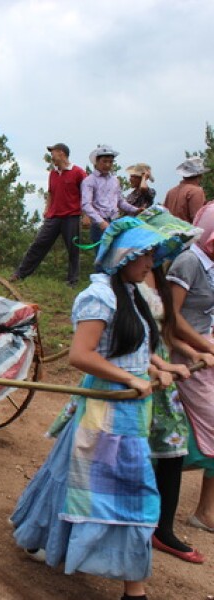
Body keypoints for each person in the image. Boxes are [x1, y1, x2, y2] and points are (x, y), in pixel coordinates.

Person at [11, 217, 190, 600]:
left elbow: (132, 347)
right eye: (144, 255)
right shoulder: (99, 296)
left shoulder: (132, 293)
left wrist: (162, 366)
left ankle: (37, 537)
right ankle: (134, 590)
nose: (151, 263)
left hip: (127, 410)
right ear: (124, 256)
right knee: (132, 490)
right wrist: (131, 379)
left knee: (70, 477)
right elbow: (81, 355)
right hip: (107, 409)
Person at [135, 206, 206, 563]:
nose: (160, 252)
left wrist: (191, 351)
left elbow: (165, 330)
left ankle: (162, 529)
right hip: (135, 371)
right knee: (112, 449)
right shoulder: (125, 276)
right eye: (157, 244)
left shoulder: (157, 275)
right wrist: (151, 365)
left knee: (173, 450)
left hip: (162, 375)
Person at [167, 202, 214, 536]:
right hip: (186, 353)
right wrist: (206, 347)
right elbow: (173, 319)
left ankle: (205, 510)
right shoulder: (188, 262)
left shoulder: (210, 264)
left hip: (205, 349)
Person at [10, 143, 87, 286]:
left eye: (53, 153)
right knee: (39, 244)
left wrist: (86, 215)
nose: (51, 156)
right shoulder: (53, 173)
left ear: (62, 153)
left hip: (72, 215)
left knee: (73, 249)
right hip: (54, 216)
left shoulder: (78, 172)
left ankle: (72, 281)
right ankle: (20, 274)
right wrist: (47, 208)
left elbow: (87, 195)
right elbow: (50, 192)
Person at [81, 145, 140, 244]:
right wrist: (101, 222)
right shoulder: (89, 181)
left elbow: (120, 202)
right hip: (99, 225)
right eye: (104, 161)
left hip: (114, 221)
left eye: (110, 162)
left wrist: (136, 210)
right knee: (102, 255)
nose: (108, 165)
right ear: (97, 161)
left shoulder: (114, 180)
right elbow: (86, 204)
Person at [164, 157, 209, 223]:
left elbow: (165, 213)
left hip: (169, 231)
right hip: (188, 231)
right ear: (201, 175)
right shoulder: (196, 191)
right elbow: (197, 219)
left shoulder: (171, 192)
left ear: (184, 175)